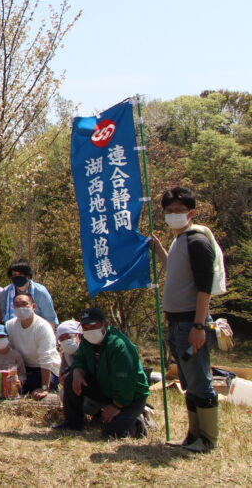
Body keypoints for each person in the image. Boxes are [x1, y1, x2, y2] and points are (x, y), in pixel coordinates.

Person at [151, 185, 221, 452]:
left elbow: (205, 287)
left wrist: (199, 326)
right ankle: (193, 435)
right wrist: (158, 249)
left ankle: (207, 439)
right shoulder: (180, 240)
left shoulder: (197, 240)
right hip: (176, 322)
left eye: (179, 211)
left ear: (191, 212)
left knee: (200, 380)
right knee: (188, 382)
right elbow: (177, 270)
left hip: (191, 321)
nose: (174, 216)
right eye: (169, 211)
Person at [54, 308, 150, 439]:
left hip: (130, 396)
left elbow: (126, 383)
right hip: (104, 388)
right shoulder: (87, 341)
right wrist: (77, 372)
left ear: (105, 324)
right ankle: (72, 423)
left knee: (113, 435)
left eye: (92, 325)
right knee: (71, 378)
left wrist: (116, 405)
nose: (88, 329)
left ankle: (138, 423)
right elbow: (80, 359)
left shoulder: (119, 346)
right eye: (85, 327)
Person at [5, 293, 60, 398]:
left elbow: (46, 359)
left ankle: (41, 385)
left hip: (45, 369)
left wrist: (44, 387)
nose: (21, 307)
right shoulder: (9, 325)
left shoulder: (43, 327)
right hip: (23, 369)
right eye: (17, 305)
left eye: (24, 304)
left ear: (33, 306)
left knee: (32, 381)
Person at [1, 260, 58, 325]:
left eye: (20, 274)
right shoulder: (6, 292)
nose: (17, 277)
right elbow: (4, 315)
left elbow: (50, 319)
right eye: (14, 275)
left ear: (27, 275)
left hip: (38, 330)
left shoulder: (40, 292)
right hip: (13, 330)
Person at [0, 324, 26, 397]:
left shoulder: (16, 355)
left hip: (12, 385)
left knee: (21, 390)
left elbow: (22, 373)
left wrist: (19, 381)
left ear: (7, 338)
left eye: (2, 337)